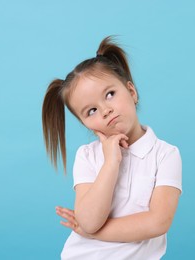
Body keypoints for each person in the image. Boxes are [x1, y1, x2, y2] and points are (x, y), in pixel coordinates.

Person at [42, 36, 182, 260]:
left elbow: (158, 222)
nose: (105, 110)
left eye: (110, 95)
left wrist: (95, 233)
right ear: (85, 124)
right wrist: (110, 163)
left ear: (132, 92)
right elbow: (88, 220)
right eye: (91, 111)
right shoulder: (88, 156)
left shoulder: (165, 155)